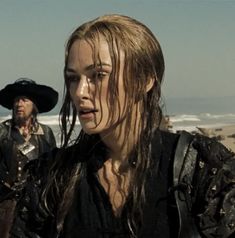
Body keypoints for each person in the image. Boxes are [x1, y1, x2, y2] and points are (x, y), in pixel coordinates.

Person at [11, 15, 235, 238]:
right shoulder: (50, 177)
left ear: (144, 79)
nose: (79, 92)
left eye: (98, 75)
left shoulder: (200, 168)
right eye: (73, 78)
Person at [0, 78, 58, 238]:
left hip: (36, 206)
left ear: (34, 106)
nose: (19, 104)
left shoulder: (46, 133)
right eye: (17, 100)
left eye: (24, 100)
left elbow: (52, 168)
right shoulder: (2, 132)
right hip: (5, 205)